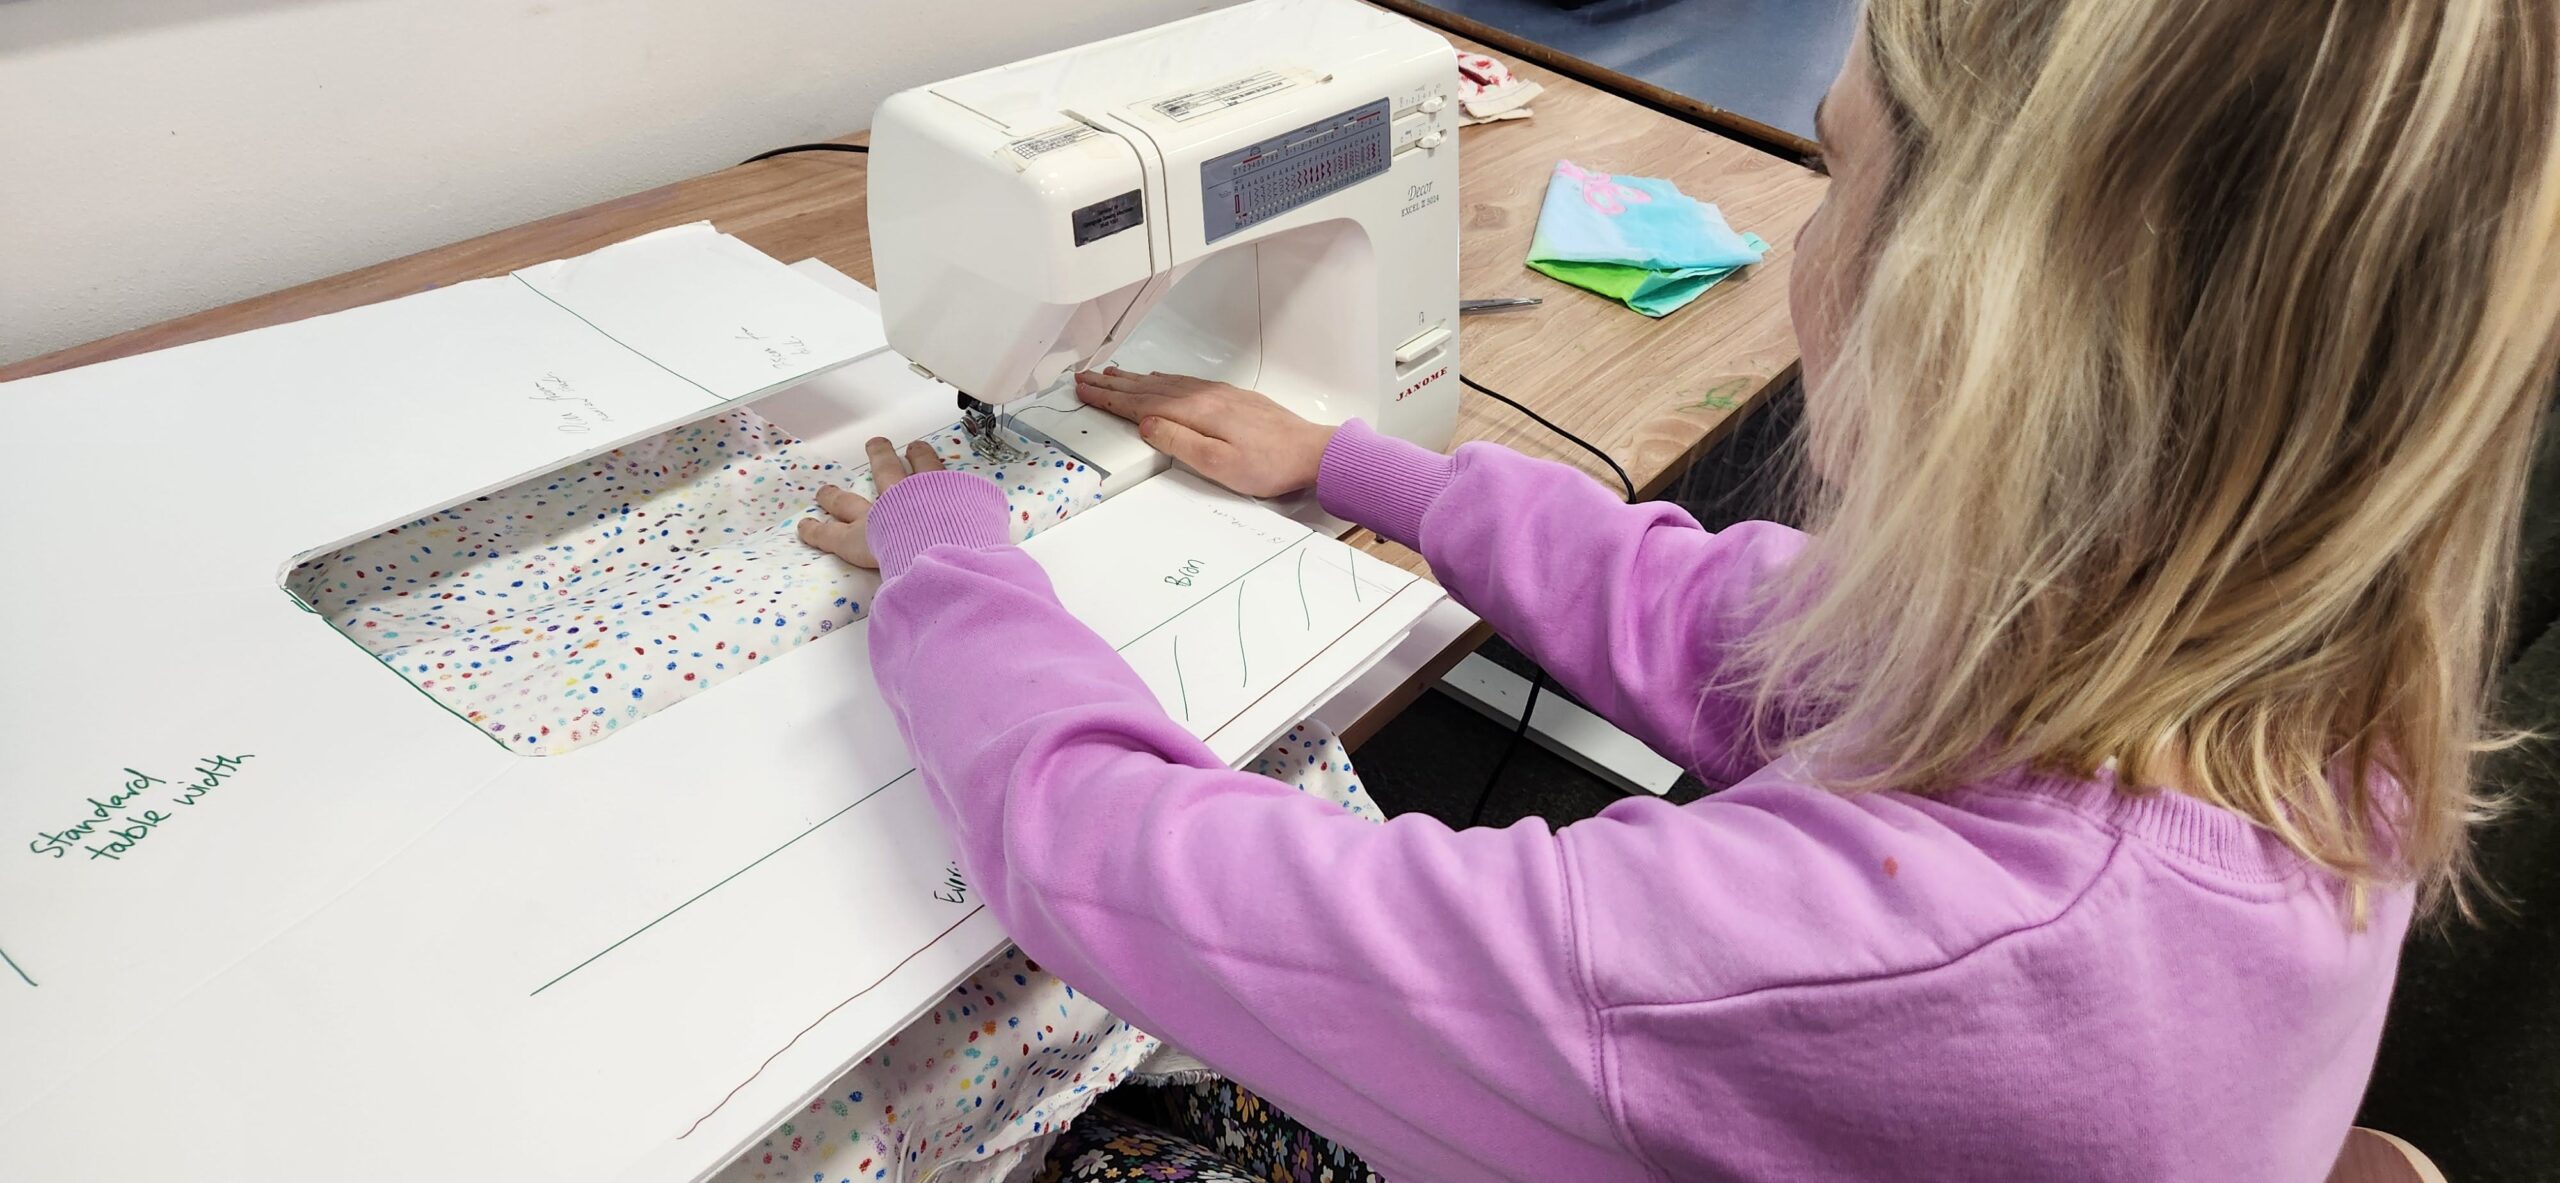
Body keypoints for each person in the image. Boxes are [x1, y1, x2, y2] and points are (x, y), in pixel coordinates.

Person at [784, 0, 2560, 1177]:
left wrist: (955, 566)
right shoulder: (2317, 724)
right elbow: (1761, 630)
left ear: (1980, 329)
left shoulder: (1829, 963)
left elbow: (1105, 860)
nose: (1808, 234)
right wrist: (1355, 466)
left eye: (1833, 172)